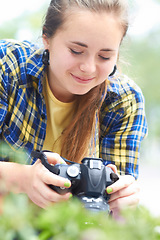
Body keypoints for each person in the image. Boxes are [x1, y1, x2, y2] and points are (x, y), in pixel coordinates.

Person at [0, 0, 147, 217]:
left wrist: (122, 202)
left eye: (104, 56)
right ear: (46, 38)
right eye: (76, 50)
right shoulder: (7, 66)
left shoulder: (124, 101)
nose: (88, 68)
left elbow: (112, 217)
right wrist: (22, 178)